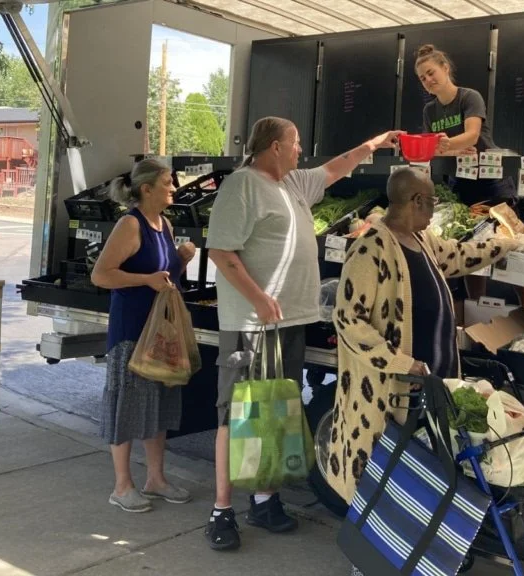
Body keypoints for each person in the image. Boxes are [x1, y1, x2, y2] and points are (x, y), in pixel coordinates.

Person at [325, 168, 524, 576]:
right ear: (416, 202)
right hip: (390, 394)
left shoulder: (421, 240)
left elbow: (459, 256)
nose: (435, 208)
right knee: (384, 485)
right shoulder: (372, 247)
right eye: (432, 202)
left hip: (431, 389)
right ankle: (370, 566)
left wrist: (507, 244)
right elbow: (349, 320)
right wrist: (405, 364)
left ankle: (417, 561)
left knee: (421, 483)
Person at [204, 116, 404, 551]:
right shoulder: (242, 186)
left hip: (291, 321)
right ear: (274, 146)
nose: (300, 151)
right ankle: (222, 510)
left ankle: (264, 499)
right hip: (251, 325)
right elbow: (220, 250)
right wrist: (257, 297)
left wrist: (376, 141)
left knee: (273, 412)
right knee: (235, 415)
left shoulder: (292, 185)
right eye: (295, 144)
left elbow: (337, 167)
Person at [90, 158, 197, 513]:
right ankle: (122, 486)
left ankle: (156, 479)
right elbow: (102, 275)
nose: (173, 189)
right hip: (131, 332)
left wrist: (180, 259)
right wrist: (145, 280)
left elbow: (162, 275)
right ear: (146, 188)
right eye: (168, 183)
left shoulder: (163, 224)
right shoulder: (129, 225)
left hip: (160, 332)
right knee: (125, 406)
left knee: (159, 407)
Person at [415, 43, 524, 311]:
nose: (428, 81)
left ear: (445, 68)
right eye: (422, 78)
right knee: (468, 244)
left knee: (508, 241)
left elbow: (473, 135)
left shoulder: (470, 97)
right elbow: (430, 147)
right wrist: (451, 148)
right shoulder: (429, 111)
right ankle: (475, 308)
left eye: (431, 73)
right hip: (460, 182)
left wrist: (449, 144)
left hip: (492, 178)